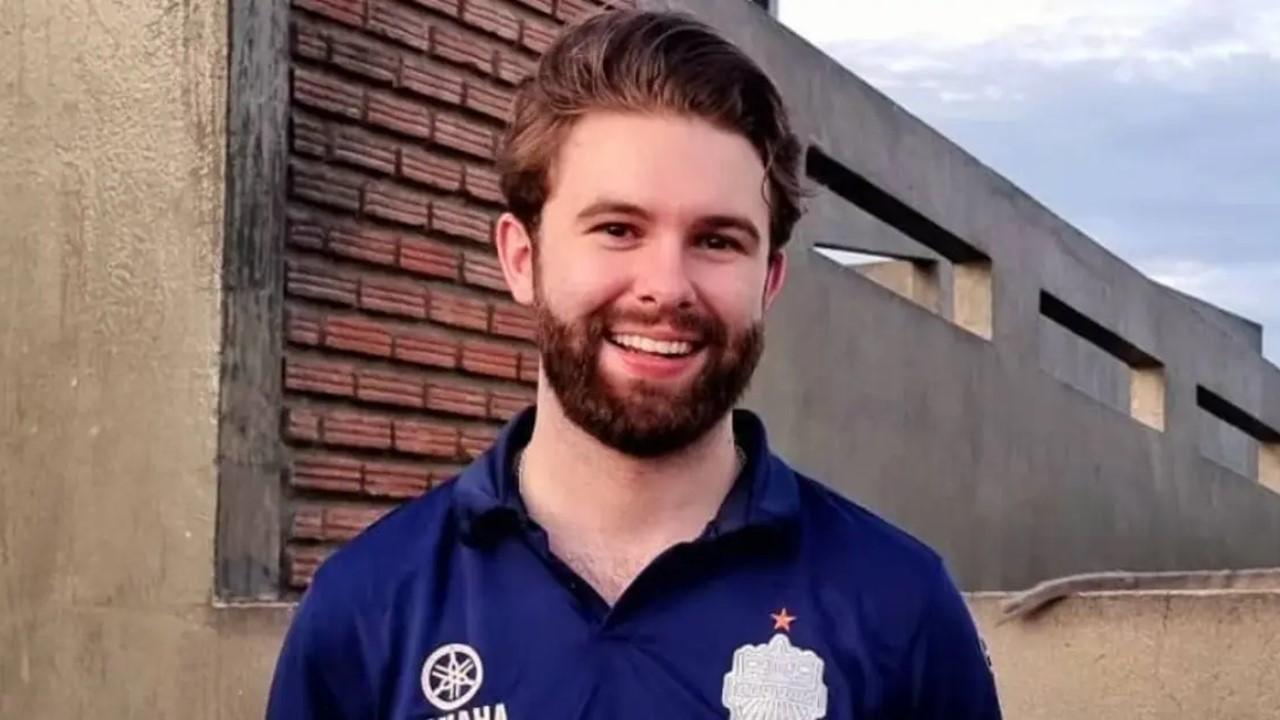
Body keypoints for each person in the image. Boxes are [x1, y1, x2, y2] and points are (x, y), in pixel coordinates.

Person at [267, 9, 1002, 719]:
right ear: (522, 259)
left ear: (769, 281)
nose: (666, 288)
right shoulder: (365, 612)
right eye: (617, 229)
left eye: (717, 241)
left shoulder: (901, 609)